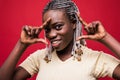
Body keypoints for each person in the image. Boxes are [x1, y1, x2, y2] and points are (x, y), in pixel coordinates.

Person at [0, 0, 120, 80]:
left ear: (73, 23)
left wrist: (105, 38)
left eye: (58, 26)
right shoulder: (40, 57)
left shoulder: (95, 59)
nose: (51, 34)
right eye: (47, 29)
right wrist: (21, 44)